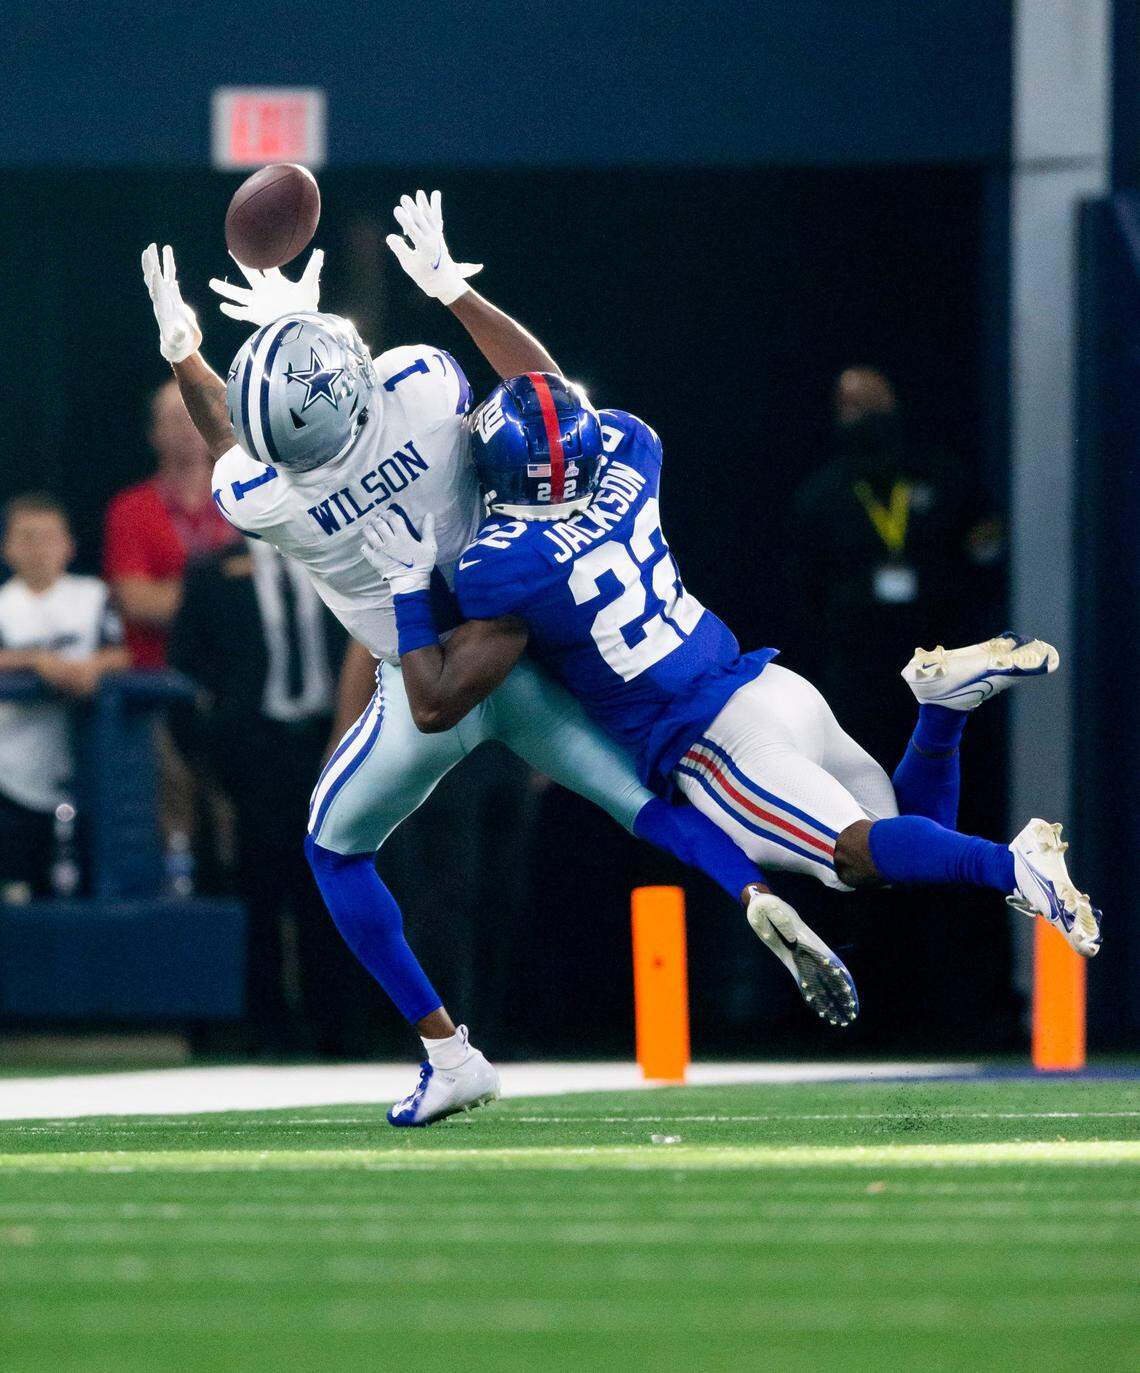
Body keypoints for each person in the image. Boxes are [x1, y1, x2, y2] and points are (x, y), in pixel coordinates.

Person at [140, 191, 777, 1127]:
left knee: (333, 851)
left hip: (422, 687)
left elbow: (232, 435)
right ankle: (753, 886)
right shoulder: (424, 382)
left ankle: (448, 1050)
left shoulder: (265, 501)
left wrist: (184, 352)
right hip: (514, 645)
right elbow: (548, 402)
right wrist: (420, 298)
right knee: (640, 800)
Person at [358, 371, 1102, 1004]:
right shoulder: (632, 452)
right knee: (907, 842)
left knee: (858, 856)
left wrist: (406, 587)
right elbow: (559, 404)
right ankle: (942, 712)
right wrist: (459, 295)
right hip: (772, 684)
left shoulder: (498, 565)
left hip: (711, 739)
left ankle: (1013, 866)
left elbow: (434, 702)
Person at [169, 537, 381, 1057]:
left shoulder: (338, 556)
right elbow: (186, 670)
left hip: (333, 738)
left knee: (334, 882)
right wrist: (206, 760)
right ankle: (266, 1030)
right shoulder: (212, 571)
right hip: (252, 750)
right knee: (258, 885)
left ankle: (338, 1028)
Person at [784, 366, 1003, 765]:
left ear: (891, 404)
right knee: (864, 766)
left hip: (939, 656)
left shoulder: (942, 476)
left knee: (942, 760)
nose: (858, 416)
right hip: (858, 666)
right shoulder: (823, 493)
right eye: (849, 406)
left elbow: (984, 555)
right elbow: (805, 583)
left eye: (868, 404)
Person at [0, 493, 130, 895]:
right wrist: (36, 662)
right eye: (27, 537)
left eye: (48, 536)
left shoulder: (92, 595)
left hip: (88, 763)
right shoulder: (4, 605)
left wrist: (91, 668)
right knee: (20, 889)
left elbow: (120, 653)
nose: (38, 548)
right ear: (7, 547)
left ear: (69, 545)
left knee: (88, 884)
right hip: (13, 769)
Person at [103, 379, 240, 669]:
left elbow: (272, 587)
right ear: (154, 433)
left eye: (197, 413)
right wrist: (228, 598)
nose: (190, 425)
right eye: (178, 418)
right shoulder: (131, 509)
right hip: (159, 675)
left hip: (239, 670)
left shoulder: (247, 498)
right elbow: (136, 602)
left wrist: (178, 598)